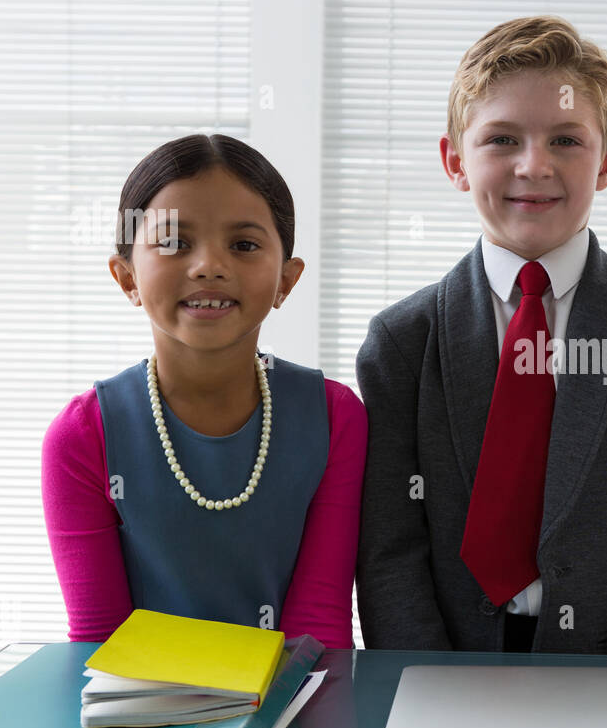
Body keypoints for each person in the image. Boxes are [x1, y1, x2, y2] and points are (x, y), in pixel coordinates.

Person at [355, 15, 607, 654]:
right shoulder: (401, 342)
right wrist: (428, 690)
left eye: (566, 141)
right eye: (501, 139)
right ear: (454, 161)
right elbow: (391, 553)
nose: (534, 166)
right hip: (446, 677)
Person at [42, 134, 366, 648]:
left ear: (287, 279)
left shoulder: (335, 418)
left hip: (291, 714)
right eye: (173, 242)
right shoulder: (83, 436)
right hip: (137, 719)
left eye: (243, 244)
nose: (209, 266)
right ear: (126, 277)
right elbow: (99, 641)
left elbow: (318, 633)